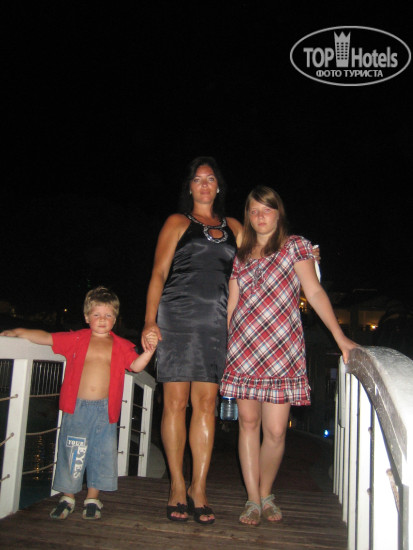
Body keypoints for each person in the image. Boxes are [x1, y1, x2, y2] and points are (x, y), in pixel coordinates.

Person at [220, 186, 357, 526]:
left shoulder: (296, 246)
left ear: (278, 213)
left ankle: (267, 492)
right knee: (248, 423)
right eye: (253, 211)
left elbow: (314, 291)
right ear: (248, 216)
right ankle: (253, 499)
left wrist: (340, 337)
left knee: (277, 430)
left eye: (266, 209)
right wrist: (226, 347)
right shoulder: (241, 255)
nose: (260, 216)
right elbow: (232, 305)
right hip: (244, 348)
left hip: (282, 349)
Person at [141, 156, 243, 524]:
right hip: (177, 318)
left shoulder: (234, 227)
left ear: (218, 187)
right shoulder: (177, 222)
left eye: (210, 178)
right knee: (175, 402)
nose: (204, 184)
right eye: (197, 179)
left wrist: (304, 252)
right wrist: (149, 321)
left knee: (206, 404)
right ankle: (176, 485)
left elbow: (263, 255)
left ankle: (199, 487)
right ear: (190, 187)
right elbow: (158, 273)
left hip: (216, 323)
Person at [1, 286, 157, 521]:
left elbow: (135, 366)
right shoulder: (76, 338)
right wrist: (19, 331)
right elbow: (47, 338)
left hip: (106, 411)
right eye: (97, 314)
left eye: (108, 315)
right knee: (72, 451)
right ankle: (68, 496)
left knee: (100, 454)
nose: (102, 319)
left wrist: (149, 351)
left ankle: (93, 498)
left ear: (115, 319)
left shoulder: (121, 345)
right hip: (77, 408)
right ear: (86, 317)